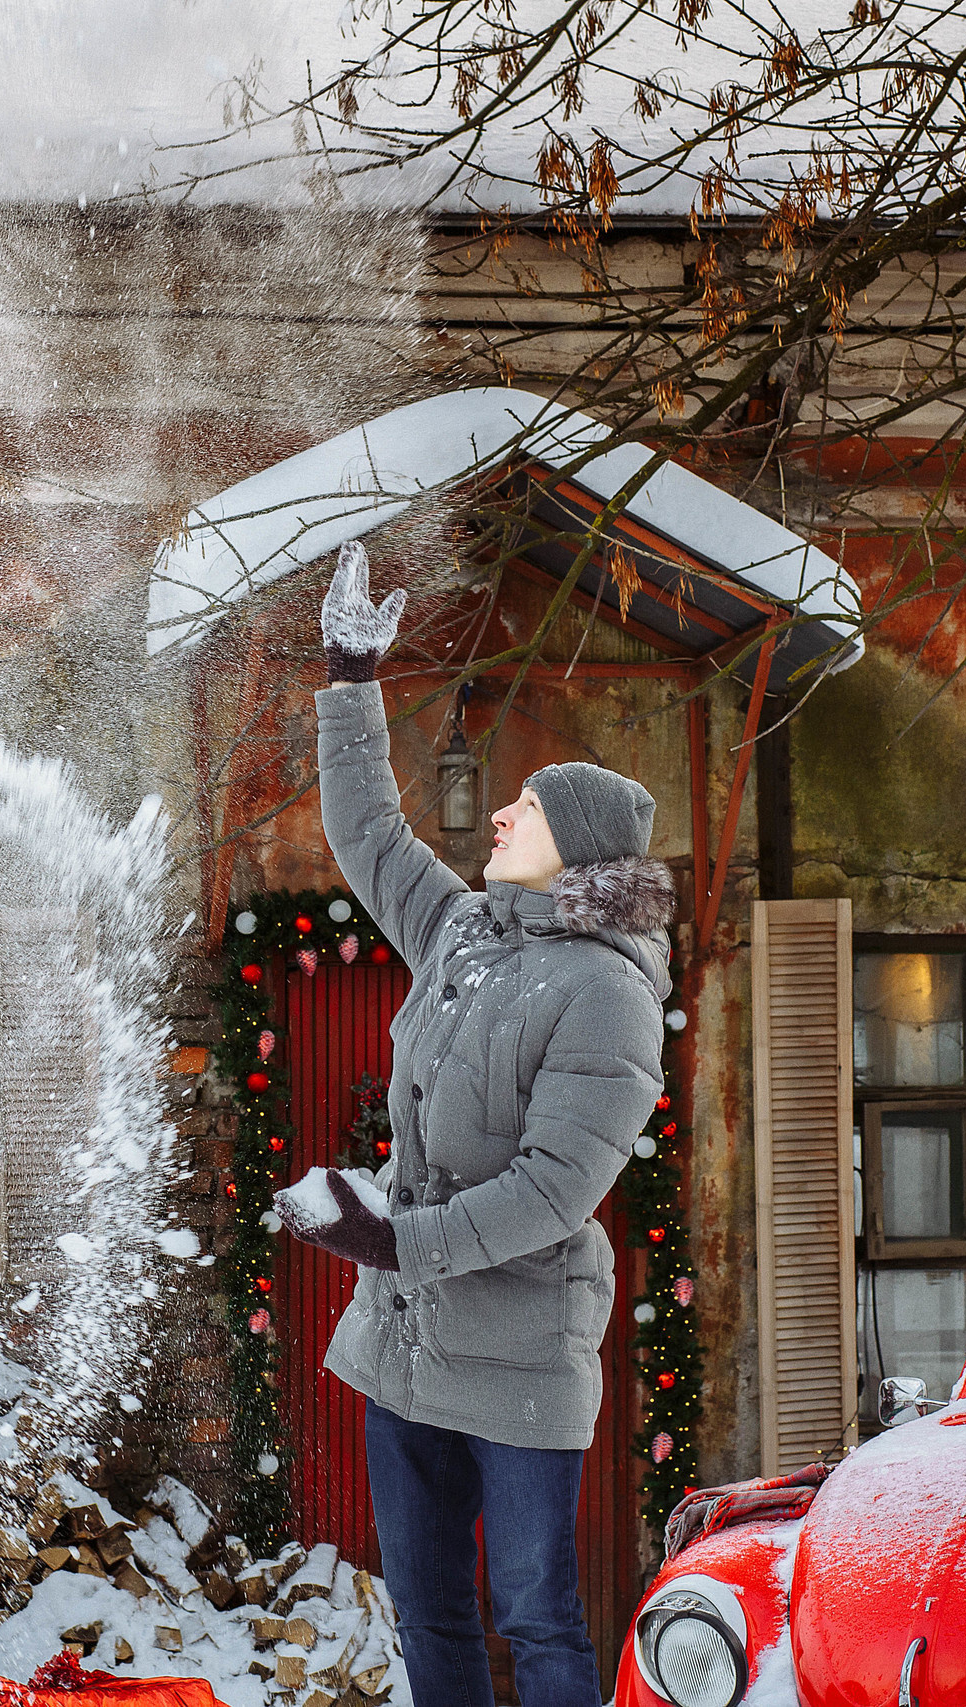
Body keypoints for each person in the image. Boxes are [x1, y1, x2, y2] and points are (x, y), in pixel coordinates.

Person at [278, 543, 674, 1707]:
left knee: (536, 1617)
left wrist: (391, 1239)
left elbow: (555, 1189)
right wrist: (351, 680)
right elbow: (367, 833)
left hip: (519, 1358)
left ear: (578, 849)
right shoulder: (464, 933)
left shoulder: (606, 993)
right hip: (405, 1347)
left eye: (529, 806)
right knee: (426, 1608)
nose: (502, 810)